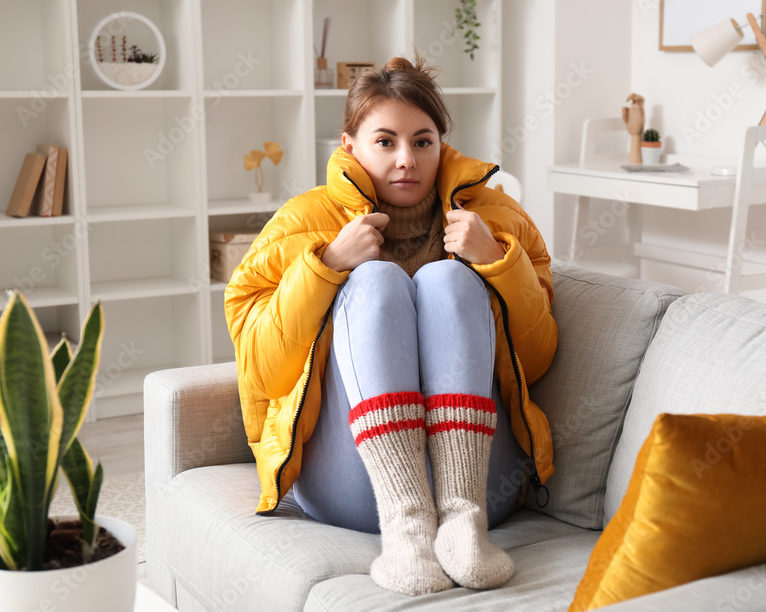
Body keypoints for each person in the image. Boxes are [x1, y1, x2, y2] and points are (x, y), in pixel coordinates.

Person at [224, 55, 558, 596]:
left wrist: (498, 261)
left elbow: (537, 360)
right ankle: (406, 527)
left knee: (446, 280)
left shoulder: (499, 220)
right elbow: (264, 371)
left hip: (481, 484)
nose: (407, 160)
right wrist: (327, 265)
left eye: (423, 141)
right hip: (352, 483)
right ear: (350, 145)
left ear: (441, 143)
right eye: (385, 142)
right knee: (376, 281)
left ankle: (461, 522)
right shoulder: (301, 223)